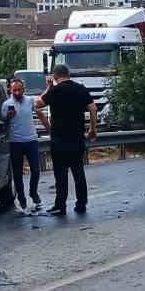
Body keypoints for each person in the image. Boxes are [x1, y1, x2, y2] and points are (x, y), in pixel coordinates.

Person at [40, 65, 97, 215]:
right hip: (77, 139)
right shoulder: (81, 89)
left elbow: (38, 103)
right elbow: (93, 108)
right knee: (79, 173)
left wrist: (48, 87)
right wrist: (92, 129)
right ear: (68, 74)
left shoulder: (54, 91)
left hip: (59, 141)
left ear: (55, 76)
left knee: (60, 175)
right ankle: (81, 204)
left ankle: (60, 206)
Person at [1, 79, 46, 215]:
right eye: (14, 90)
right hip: (15, 142)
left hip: (31, 140)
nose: (17, 92)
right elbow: (3, 122)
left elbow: (41, 105)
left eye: (19, 89)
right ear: (10, 90)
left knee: (36, 170)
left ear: (24, 89)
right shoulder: (6, 104)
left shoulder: (29, 101)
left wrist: (49, 128)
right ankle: (21, 197)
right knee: (17, 173)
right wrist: (8, 117)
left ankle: (33, 192)